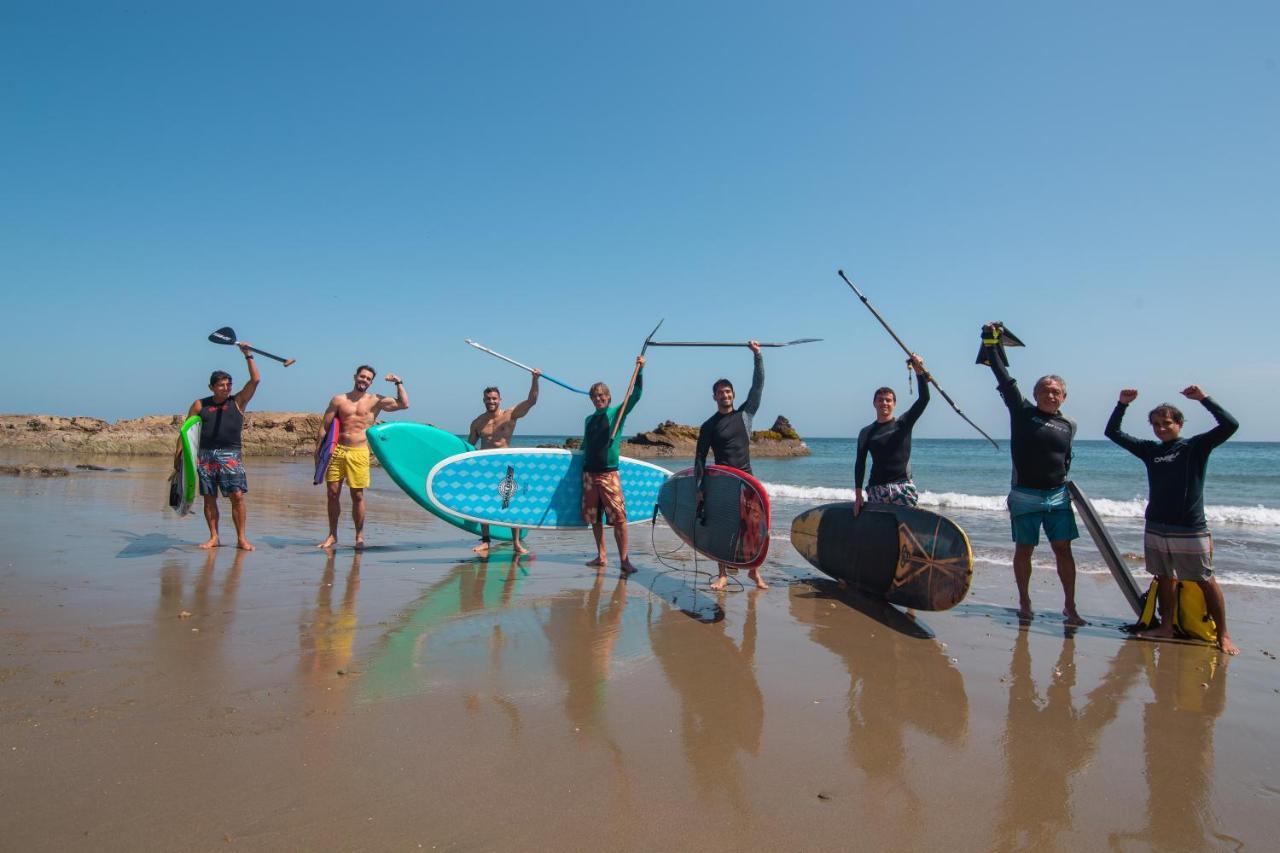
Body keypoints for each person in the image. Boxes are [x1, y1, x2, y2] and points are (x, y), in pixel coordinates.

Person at [1104, 386, 1240, 655]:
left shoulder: (1195, 447)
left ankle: (1223, 634)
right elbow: (1113, 433)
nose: (1161, 428)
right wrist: (1122, 404)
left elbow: (1230, 424)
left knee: (1204, 579)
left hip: (1189, 526)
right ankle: (1166, 626)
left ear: (1178, 424)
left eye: (1166, 423)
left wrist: (1203, 399)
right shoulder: (1150, 450)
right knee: (1163, 578)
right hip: (1156, 524)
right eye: (1156, 424)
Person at [980, 324, 1083, 625]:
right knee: (1024, 550)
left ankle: (1070, 607)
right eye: (1045, 390)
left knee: (1063, 550)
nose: (1051, 394)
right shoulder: (1022, 412)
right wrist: (989, 342)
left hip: (1057, 495)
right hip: (1025, 495)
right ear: (1035, 393)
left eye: (1056, 391)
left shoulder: (1068, 425)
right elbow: (1003, 377)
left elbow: (1065, 461)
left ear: (1064, 396)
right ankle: (1025, 602)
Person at [695, 341, 768, 590]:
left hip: (747, 478)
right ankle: (723, 574)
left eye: (728, 392)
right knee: (722, 527)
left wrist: (757, 355)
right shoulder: (708, 426)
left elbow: (758, 385)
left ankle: (753, 572)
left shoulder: (745, 415)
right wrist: (700, 487)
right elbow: (699, 458)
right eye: (720, 392)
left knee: (753, 526)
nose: (725, 395)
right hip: (722, 480)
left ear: (733, 395)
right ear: (714, 396)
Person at [316, 365, 410, 549]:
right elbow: (324, 427)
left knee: (357, 495)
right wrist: (318, 452)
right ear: (355, 377)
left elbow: (404, 404)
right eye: (362, 377)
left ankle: (359, 536)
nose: (364, 380)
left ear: (371, 382)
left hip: (359, 452)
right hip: (338, 451)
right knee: (332, 494)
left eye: (368, 379)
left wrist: (398, 382)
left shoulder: (375, 400)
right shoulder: (339, 400)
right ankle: (332, 535)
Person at [180, 342, 259, 551]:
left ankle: (241, 538)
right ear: (212, 387)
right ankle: (214, 537)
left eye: (228, 385)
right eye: (221, 385)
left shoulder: (238, 402)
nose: (225, 388)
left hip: (230, 455)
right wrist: (178, 459)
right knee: (209, 497)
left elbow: (255, 380)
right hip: (205, 456)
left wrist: (248, 355)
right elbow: (185, 432)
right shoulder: (200, 404)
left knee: (237, 496)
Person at [581, 356, 645, 574]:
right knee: (595, 519)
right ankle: (601, 556)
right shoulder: (589, 420)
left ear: (608, 397)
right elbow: (585, 445)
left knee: (619, 519)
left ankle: (625, 560)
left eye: (601, 395)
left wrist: (640, 370)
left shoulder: (616, 412)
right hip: (589, 474)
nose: (598, 398)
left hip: (609, 474)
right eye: (594, 396)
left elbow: (635, 396)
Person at [467, 370, 541, 555]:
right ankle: (485, 540)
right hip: (486, 466)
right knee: (484, 503)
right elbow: (468, 447)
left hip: (506, 465)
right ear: (484, 400)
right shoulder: (477, 422)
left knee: (509, 502)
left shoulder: (510, 415)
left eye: (494, 398)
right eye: (488, 399)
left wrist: (534, 379)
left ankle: (516, 543)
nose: (491, 401)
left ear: (500, 399)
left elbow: (531, 401)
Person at [854, 354, 930, 514]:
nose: (884, 403)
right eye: (880, 400)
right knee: (880, 533)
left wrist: (919, 372)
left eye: (888, 400)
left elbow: (924, 399)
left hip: (902, 488)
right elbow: (860, 463)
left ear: (894, 404)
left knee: (905, 533)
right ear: (874, 403)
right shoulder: (866, 432)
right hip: (876, 489)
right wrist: (858, 494)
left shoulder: (903, 423)